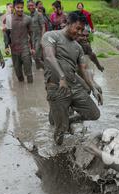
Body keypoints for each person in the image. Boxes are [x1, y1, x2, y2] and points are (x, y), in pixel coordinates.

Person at [42, 12, 103, 145]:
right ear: (68, 23)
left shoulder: (78, 47)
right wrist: (62, 76)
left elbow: (84, 69)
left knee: (94, 113)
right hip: (57, 87)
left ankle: (66, 119)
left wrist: (94, 88)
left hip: (74, 87)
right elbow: (49, 56)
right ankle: (57, 153)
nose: (80, 32)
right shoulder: (51, 36)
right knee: (60, 129)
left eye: (82, 29)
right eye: (77, 28)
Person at [10, 0, 35, 83]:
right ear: (14, 8)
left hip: (25, 48)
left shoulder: (28, 18)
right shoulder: (9, 19)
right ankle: (21, 94)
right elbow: (6, 34)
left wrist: (33, 48)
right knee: (18, 73)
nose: (20, 9)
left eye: (21, 7)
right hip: (14, 49)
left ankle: (31, 92)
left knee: (28, 71)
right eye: (18, 7)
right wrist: (6, 46)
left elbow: (32, 34)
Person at [27, 0, 45, 69]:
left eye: (32, 5)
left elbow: (43, 26)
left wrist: (42, 38)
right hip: (32, 38)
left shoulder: (39, 14)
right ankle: (40, 70)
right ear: (27, 7)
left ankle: (45, 69)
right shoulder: (28, 16)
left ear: (35, 6)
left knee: (37, 55)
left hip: (39, 37)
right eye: (29, 6)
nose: (30, 7)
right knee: (34, 56)